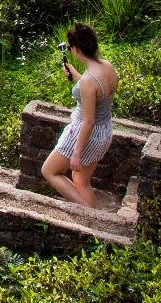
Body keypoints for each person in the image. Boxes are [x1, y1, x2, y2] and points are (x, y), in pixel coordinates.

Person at [42, 23, 120, 207]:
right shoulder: (107, 67)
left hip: (85, 134)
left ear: (76, 49)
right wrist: (77, 76)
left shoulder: (88, 81)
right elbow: (98, 92)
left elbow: (88, 121)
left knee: (50, 171)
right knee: (81, 181)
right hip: (105, 132)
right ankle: (93, 216)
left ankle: (88, 213)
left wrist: (76, 153)